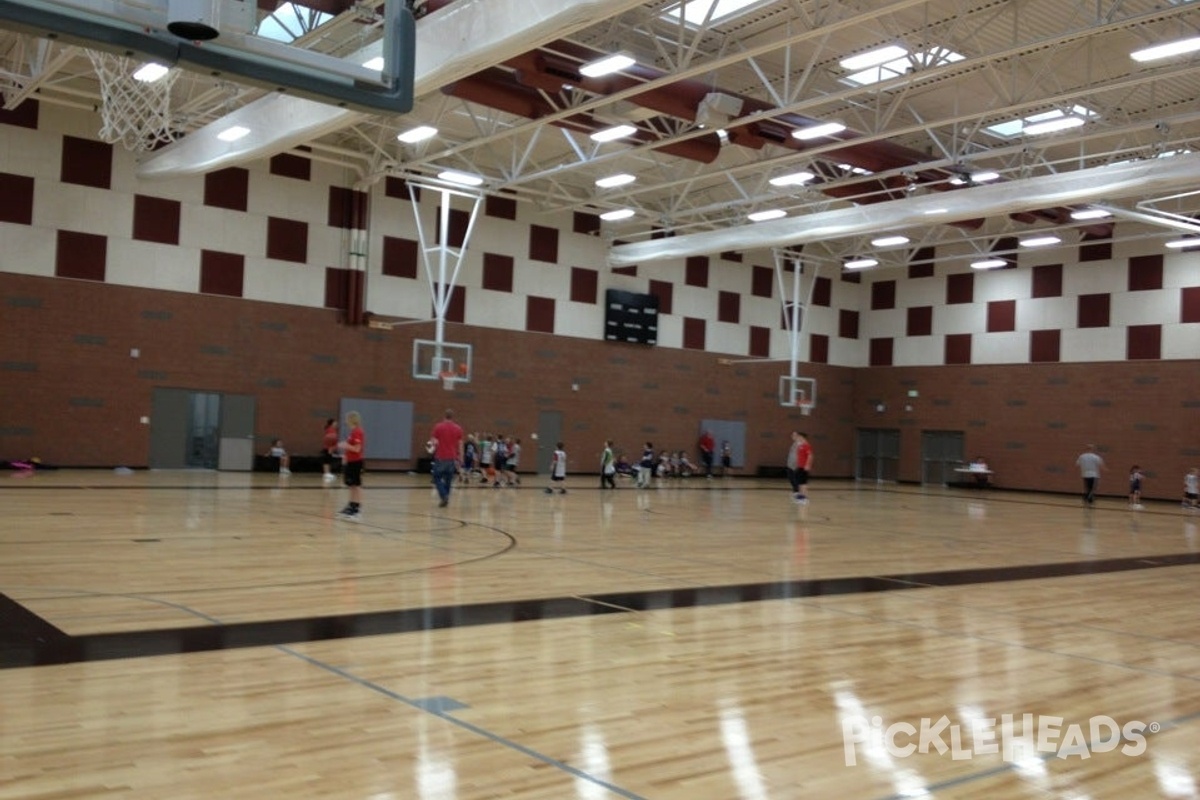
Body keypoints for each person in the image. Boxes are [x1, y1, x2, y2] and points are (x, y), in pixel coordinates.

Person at [430, 409, 465, 508]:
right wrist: (461, 458)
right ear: (453, 417)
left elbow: (433, 442)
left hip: (440, 457)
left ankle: (444, 496)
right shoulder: (458, 428)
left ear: (444, 416)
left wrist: (433, 447)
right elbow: (460, 444)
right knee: (448, 480)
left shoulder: (438, 427)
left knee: (436, 477)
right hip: (452, 458)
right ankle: (446, 497)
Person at [336, 411, 365, 521]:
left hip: (356, 462)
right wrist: (346, 457)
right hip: (351, 461)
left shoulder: (357, 432)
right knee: (351, 485)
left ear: (352, 419)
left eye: (347, 418)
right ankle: (351, 506)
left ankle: (358, 510)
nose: (345, 420)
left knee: (357, 485)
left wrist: (345, 445)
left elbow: (357, 449)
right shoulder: (352, 432)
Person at [789, 431, 813, 504]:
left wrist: (807, 465)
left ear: (802, 437)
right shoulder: (800, 445)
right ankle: (800, 497)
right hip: (799, 466)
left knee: (803, 483)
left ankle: (805, 498)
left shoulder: (806, 445)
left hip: (803, 467)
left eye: (799, 437)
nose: (798, 438)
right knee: (799, 482)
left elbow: (810, 456)